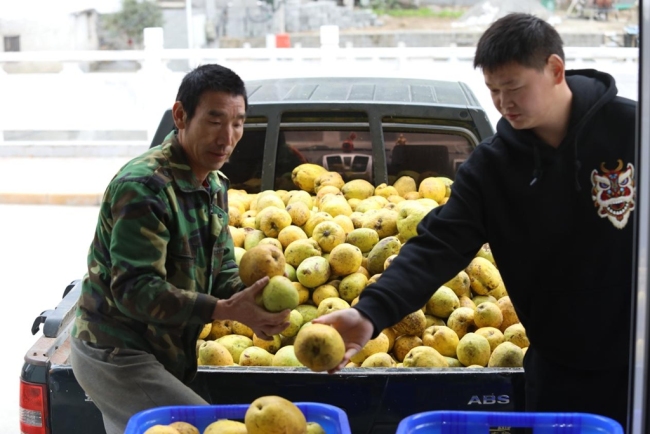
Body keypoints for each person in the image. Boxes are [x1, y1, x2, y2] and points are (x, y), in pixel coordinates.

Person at [314, 12, 636, 431]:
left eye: (514, 87)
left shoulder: (633, 132)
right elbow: (438, 245)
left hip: (638, 363)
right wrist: (370, 312)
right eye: (493, 90)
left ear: (555, 69)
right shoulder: (493, 167)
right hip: (559, 371)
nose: (504, 103)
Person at [69, 64, 290, 434]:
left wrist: (251, 305)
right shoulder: (143, 186)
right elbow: (135, 290)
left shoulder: (215, 183)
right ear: (181, 116)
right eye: (215, 120)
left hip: (164, 352)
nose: (228, 137)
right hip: (117, 352)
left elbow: (220, 271)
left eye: (238, 123)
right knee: (216, 430)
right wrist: (221, 309)